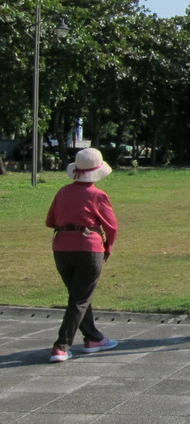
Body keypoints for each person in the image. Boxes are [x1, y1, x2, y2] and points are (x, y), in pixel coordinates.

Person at [44, 148, 119, 362]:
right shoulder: (98, 195)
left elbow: (50, 221)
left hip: (61, 248)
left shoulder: (62, 192)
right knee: (80, 298)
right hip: (88, 247)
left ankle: (93, 337)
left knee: (78, 296)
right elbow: (112, 226)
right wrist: (108, 246)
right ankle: (61, 345)